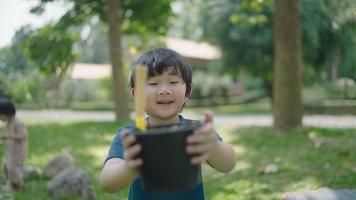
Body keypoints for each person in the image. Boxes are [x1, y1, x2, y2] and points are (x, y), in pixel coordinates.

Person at [100, 48, 236, 199]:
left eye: (173, 82)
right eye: (153, 83)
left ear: (188, 91)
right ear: (136, 95)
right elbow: (107, 183)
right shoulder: (128, 137)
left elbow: (228, 164)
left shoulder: (196, 132)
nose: (164, 90)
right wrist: (130, 168)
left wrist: (212, 147)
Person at [0, 98, 27, 190]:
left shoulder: (18, 123)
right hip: (10, 151)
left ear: (7, 113)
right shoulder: (8, 124)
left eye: (0, 115)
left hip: (18, 151)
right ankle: (11, 183)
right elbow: (8, 139)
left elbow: (23, 136)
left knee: (13, 168)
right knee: (5, 167)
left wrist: (7, 136)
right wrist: (2, 142)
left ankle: (20, 186)